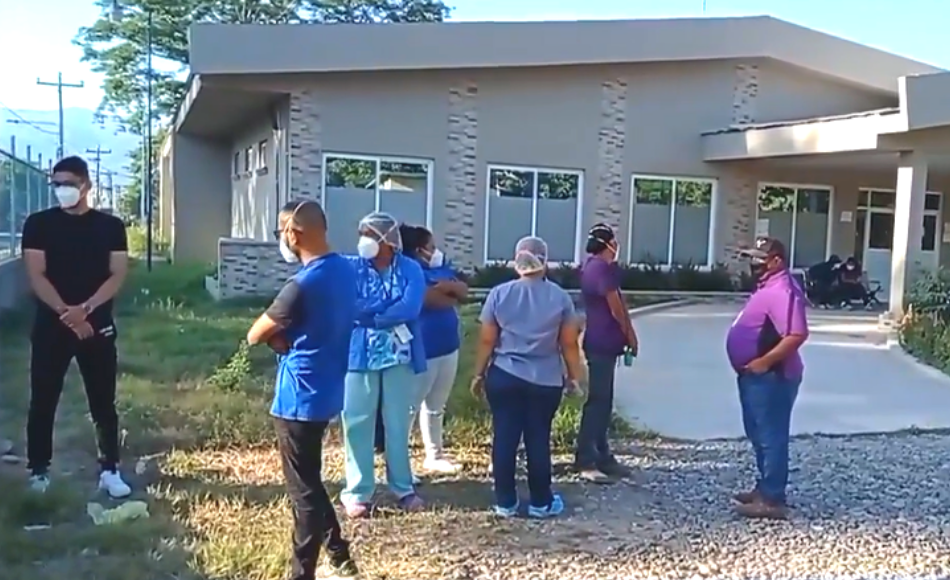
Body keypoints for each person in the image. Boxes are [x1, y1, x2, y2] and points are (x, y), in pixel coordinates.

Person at [246, 199, 359, 580]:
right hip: (328, 388)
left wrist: (279, 340)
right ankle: (340, 555)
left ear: (294, 233)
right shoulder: (344, 270)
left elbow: (255, 333)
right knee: (310, 478)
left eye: (281, 232)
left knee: (303, 493)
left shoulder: (302, 284)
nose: (282, 240)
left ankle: (302, 572)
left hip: (298, 397)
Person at [21, 155, 131, 497]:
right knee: (43, 398)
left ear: (86, 185)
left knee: (102, 401)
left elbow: (117, 274)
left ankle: (110, 469)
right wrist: (65, 312)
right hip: (51, 324)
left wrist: (85, 310)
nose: (61, 190)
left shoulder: (110, 227)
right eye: (56, 184)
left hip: (96, 322)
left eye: (68, 183)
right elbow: (36, 274)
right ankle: (39, 470)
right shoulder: (38, 224)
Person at [471, 236, 584, 519]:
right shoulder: (559, 297)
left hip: (505, 374)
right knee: (538, 438)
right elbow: (568, 343)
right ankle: (541, 502)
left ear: (516, 260)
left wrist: (479, 373)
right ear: (545, 261)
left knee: (505, 437)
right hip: (545, 380)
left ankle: (505, 502)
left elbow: (487, 340)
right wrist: (573, 376)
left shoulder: (499, 293)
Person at [341, 211, 427, 517]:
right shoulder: (351, 268)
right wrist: (378, 312)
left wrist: (373, 317)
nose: (363, 240)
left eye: (370, 234)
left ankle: (403, 487)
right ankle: (358, 491)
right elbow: (348, 305)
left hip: (399, 357)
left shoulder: (411, 269)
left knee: (397, 423)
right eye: (361, 233)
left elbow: (410, 306)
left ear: (388, 241)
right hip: (357, 357)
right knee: (357, 422)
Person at [727, 237, 809, 520]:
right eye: (753, 258)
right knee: (759, 433)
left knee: (771, 436)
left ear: (777, 261)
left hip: (773, 376)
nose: (755, 264)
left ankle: (772, 498)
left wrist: (764, 362)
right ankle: (764, 488)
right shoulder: (768, 286)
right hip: (755, 376)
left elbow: (797, 334)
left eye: (761, 259)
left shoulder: (784, 290)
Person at [401, 224, 468, 474]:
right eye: (431, 247)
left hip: (448, 346)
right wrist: (449, 290)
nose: (436, 251)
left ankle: (434, 455)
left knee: (436, 406)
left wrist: (449, 288)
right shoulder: (409, 271)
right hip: (422, 349)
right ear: (419, 250)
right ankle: (400, 462)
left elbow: (463, 291)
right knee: (410, 407)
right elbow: (432, 299)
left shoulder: (439, 269)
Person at [574, 223, 638, 483]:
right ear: (607, 244)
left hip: (599, 341)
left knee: (603, 400)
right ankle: (587, 457)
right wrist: (631, 335)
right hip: (602, 342)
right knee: (599, 402)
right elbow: (616, 308)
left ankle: (602, 455)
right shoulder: (602, 270)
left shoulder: (590, 267)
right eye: (614, 241)